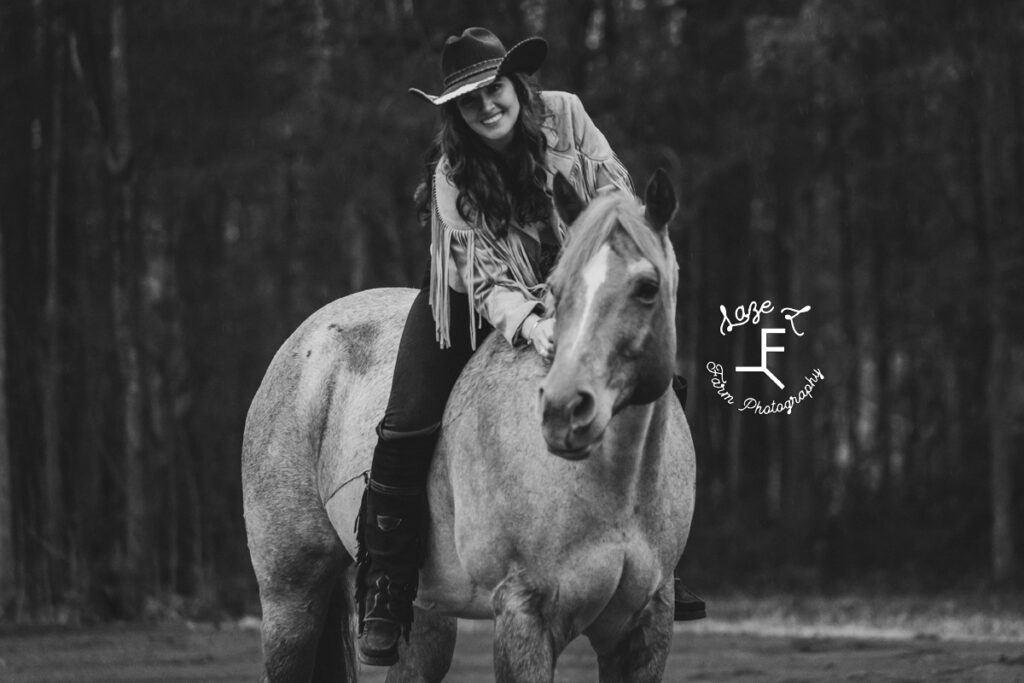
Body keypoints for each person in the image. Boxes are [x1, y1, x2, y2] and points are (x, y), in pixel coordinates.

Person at [356, 27, 703, 667]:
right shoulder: (450, 178)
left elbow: (615, 202)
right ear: (455, 114)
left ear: (515, 84)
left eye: (494, 89)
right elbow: (483, 280)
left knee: (659, 385)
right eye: (469, 101)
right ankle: (390, 586)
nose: (487, 106)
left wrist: (587, 286)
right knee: (405, 423)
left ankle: (664, 563)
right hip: (470, 299)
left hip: (577, 278)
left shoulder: (567, 115)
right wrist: (535, 325)